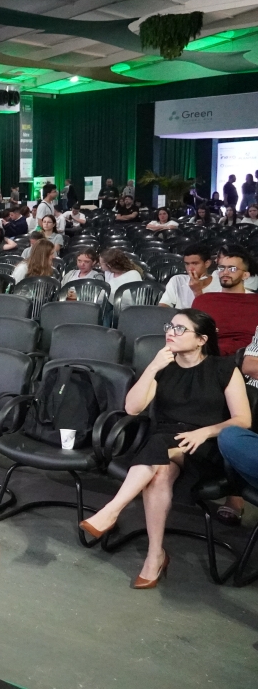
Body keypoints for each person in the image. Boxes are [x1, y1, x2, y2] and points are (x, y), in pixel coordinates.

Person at [79, 309, 250, 588]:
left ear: (201, 339)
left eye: (180, 329)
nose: (171, 332)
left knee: (156, 446)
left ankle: (112, 510)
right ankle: (154, 554)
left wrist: (205, 431)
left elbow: (243, 420)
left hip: (206, 444)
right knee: (159, 471)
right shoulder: (163, 365)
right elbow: (132, 408)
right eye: (170, 326)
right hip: (165, 443)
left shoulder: (224, 369)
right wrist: (152, 367)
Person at [192, 246, 258, 356]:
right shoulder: (204, 300)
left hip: (248, 357)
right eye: (222, 268)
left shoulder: (255, 302)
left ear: (245, 275)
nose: (225, 273)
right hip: (208, 356)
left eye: (232, 269)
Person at [160, 243, 219, 308]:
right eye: (187, 264)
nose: (190, 268)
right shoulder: (177, 280)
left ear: (207, 263)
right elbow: (163, 306)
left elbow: (210, 312)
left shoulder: (219, 285)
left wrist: (197, 291)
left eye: (195, 263)